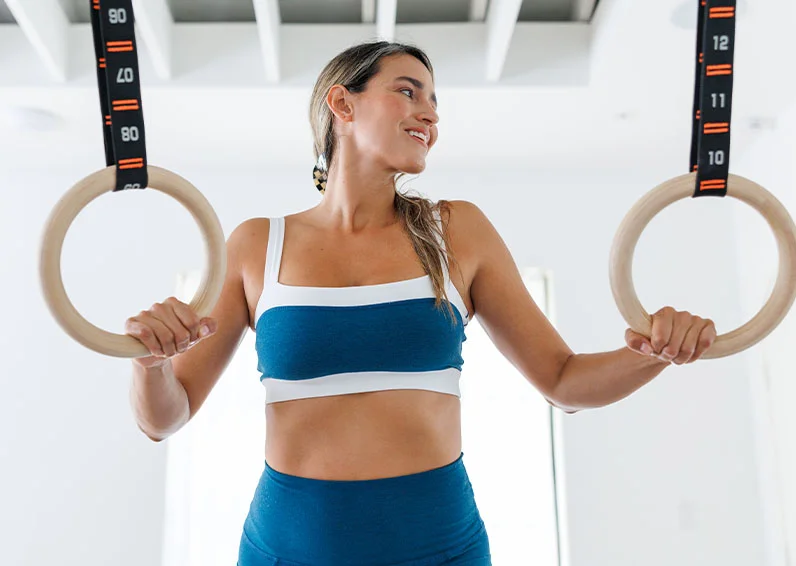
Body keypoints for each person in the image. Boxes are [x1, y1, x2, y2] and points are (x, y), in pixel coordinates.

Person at [126, 41, 717, 566]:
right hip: (289, 545)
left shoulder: (455, 231)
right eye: (408, 92)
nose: (430, 114)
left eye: (434, 101)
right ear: (343, 103)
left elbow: (565, 382)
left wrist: (658, 351)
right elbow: (164, 418)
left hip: (439, 544)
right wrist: (149, 362)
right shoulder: (257, 243)